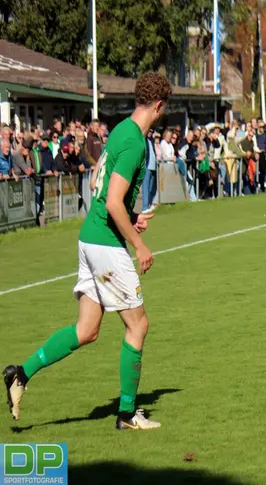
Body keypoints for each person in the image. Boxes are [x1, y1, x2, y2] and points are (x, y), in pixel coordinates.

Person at [4, 72, 173, 429]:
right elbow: (112, 201)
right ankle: (127, 414)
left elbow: (102, 189)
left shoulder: (120, 132)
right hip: (105, 245)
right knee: (138, 325)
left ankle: (21, 373)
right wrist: (139, 244)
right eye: (164, 110)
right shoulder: (136, 143)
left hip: (89, 237)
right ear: (158, 106)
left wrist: (131, 216)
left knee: (87, 329)